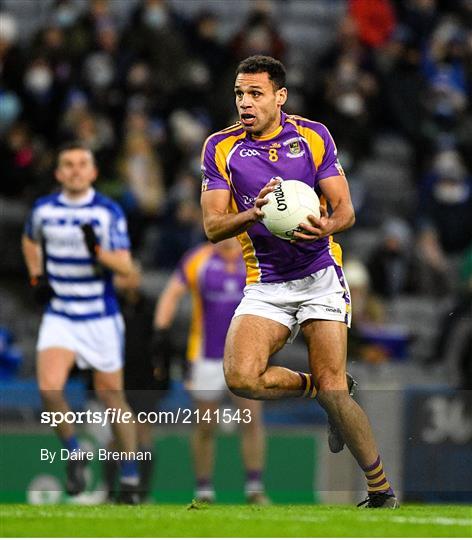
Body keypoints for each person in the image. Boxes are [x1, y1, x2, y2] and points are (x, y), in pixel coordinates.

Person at [200, 55, 398, 508]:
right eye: (239, 94)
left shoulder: (311, 136)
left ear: (279, 96)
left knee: (332, 385)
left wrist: (328, 228)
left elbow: (345, 210)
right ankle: (325, 389)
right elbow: (212, 227)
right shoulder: (220, 147)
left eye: (255, 94)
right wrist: (256, 212)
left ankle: (381, 490)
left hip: (319, 276)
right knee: (241, 378)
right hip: (267, 282)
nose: (244, 103)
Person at [22, 141, 140, 504]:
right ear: (59, 173)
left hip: (99, 316)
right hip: (61, 314)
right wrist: (36, 276)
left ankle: (131, 478)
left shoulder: (107, 212)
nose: (75, 170)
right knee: (49, 389)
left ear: (93, 172)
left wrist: (97, 252)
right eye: (68, 164)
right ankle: (74, 453)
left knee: (111, 398)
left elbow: (126, 267)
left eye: (82, 164)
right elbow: (29, 240)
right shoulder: (44, 210)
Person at [152, 238, 268, 504]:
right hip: (206, 355)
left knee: (251, 419)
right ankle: (204, 490)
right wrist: (160, 331)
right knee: (205, 425)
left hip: (247, 354)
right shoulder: (198, 259)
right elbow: (171, 293)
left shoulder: (254, 256)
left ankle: (255, 488)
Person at [102, 264, 170, 502]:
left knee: (143, 433)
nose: (128, 280)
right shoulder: (109, 306)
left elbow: (164, 345)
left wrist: (163, 380)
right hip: (117, 377)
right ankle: (111, 492)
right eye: (123, 275)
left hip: (144, 380)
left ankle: (142, 492)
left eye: (132, 275)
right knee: (114, 436)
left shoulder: (151, 308)